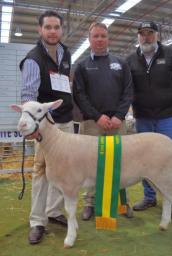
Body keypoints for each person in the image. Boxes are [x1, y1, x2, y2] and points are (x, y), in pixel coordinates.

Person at [126, 21, 172, 220]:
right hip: (143, 117)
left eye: (150, 33)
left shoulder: (171, 54)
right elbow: (128, 89)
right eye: (142, 33)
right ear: (138, 37)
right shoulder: (130, 59)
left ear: (157, 35)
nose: (146, 37)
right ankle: (150, 196)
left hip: (168, 117)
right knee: (145, 160)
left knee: (169, 159)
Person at [20, 11, 74, 244]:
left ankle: (54, 211)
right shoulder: (33, 58)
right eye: (48, 27)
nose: (53, 31)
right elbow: (28, 95)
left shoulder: (66, 53)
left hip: (65, 121)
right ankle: (37, 221)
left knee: (62, 170)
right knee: (41, 171)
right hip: (45, 127)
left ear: (61, 30)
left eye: (56, 27)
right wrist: (33, 127)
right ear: (40, 30)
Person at [73, 22, 133, 220]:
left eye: (103, 36)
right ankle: (90, 202)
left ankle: (122, 203)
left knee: (120, 161)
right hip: (92, 123)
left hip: (118, 122)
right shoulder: (82, 66)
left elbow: (128, 92)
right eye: (96, 36)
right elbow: (79, 95)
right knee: (91, 163)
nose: (99, 39)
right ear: (89, 39)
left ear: (109, 38)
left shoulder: (121, 63)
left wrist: (119, 116)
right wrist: (97, 116)